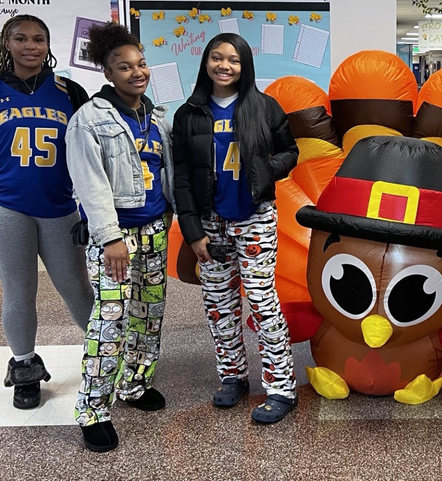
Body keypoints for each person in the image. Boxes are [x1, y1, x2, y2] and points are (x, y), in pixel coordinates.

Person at [0, 14, 93, 410]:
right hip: (3, 207)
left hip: (58, 206)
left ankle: (108, 356)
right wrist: (9, 186)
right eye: (21, 39)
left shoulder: (70, 92)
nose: (30, 46)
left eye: (38, 39)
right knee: (20, 291)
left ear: (48, 45)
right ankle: (24, 370)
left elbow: (87, 152)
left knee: (77, 287)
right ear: (7, 44)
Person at [171, 33, 299, 424]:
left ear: (245, 66)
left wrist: (268, 169)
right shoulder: (188, 112)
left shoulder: (263, 106)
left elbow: (290, 151)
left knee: (262, 302)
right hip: (210, 224)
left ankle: (281, 387)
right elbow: (180, 176)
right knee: (219, 306)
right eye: (216, 58)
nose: (224, 66)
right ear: (206, 63)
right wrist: (193, 232)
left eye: (234, 60)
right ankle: (233, 377)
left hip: (254, 217)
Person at [65, 23, 174, 452]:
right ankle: (93, 409)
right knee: (108, 324)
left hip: (154, 231)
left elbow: (169, 175)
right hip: (115, 239)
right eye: (124, 66)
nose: (136, 72)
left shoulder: (156, 117)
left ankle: (134, 384)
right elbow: (90, 184)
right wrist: (109, 238)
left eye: (141, 63)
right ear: (108, 73)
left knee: (149, 316)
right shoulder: (89, 120)